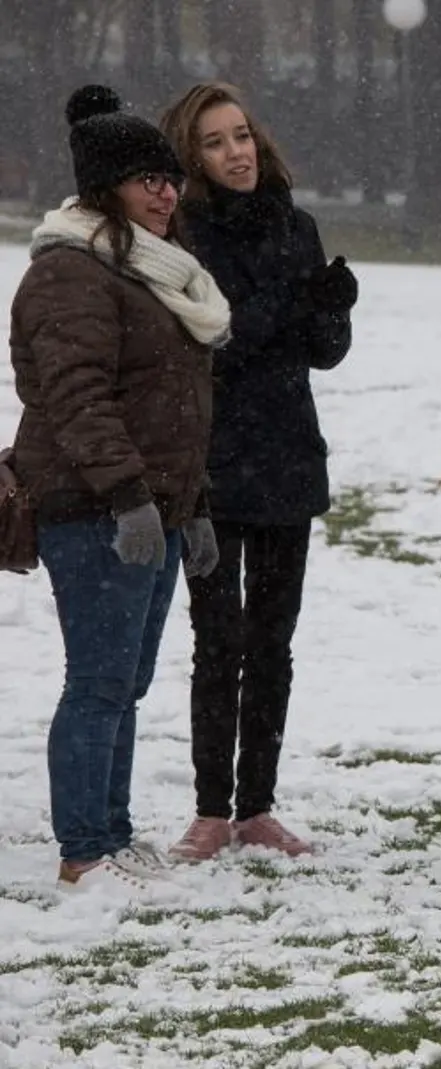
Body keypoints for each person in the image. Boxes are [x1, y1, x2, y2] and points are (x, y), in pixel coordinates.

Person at [9, 86, 228, 890]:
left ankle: (114, 831)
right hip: (94, 508)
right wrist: (129, 494)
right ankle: (82, 849)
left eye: (170, 178)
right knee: (97, 680)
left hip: (155, 507)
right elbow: (77, 397)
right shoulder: (72, 273)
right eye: (147, 179)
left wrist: (190, 503)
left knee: (125, 683)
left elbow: (173, 406)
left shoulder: (151, 270)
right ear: (107, 187)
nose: (167, 192)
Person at [157, 82, 355, 862]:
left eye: (241, 134)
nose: (236, 151)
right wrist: (289, 303)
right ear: (191, 156)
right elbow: (218, 340)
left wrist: (333, 308)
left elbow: (321, 352)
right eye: (214, 141)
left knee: (274, 641)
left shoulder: (294, 223)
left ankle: (256, 806)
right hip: (209, 463)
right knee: (219, 638)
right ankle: (210, 808)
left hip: (287, 457)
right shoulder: (183, 235)